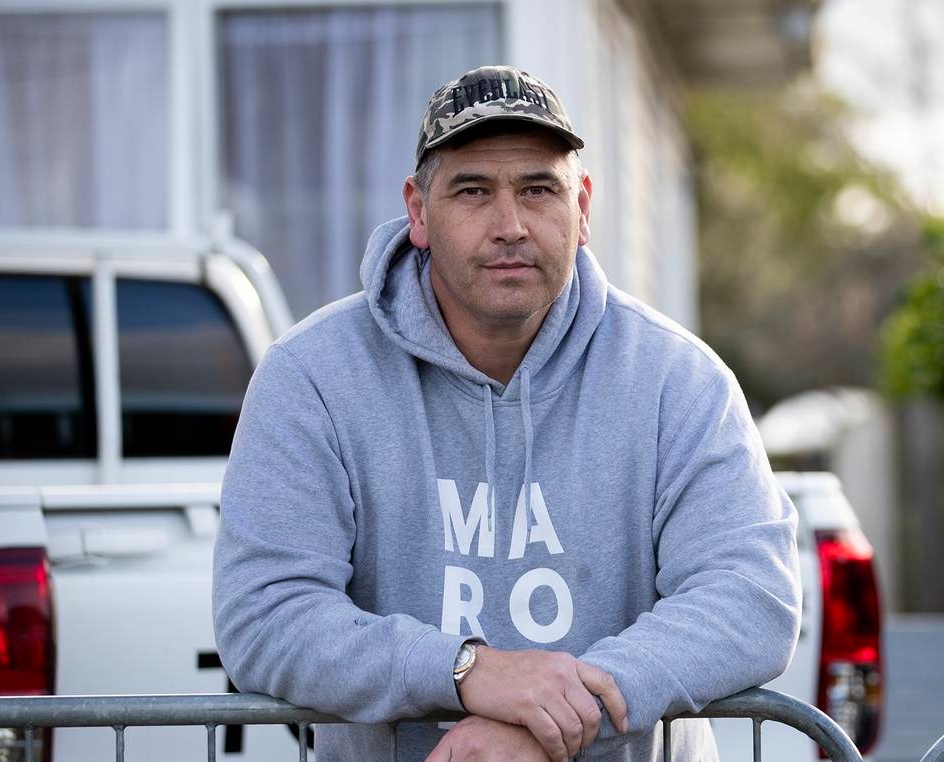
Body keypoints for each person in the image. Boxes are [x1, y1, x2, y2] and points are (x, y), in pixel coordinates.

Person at [212, 65, 802, 762]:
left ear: (582, 208)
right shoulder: (313, 376)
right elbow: (267, 615)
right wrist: (470, 672)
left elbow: (751, 595)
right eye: (473, 191)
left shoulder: (679, 379)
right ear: (418, 212)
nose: (511, 225)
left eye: (538, 189)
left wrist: (554, 717)